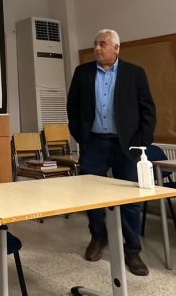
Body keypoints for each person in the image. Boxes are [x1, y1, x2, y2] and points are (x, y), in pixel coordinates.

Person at [67, 29, 156, 276]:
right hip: (93, 144)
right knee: (91, 196)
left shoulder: (134, 73)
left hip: (126, 145)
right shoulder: (83, 72)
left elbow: (148, 109)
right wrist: (80, 135)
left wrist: (141, 141)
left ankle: (133, 250)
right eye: (95, 44)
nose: (97, 48)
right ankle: (98, 237)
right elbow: (72, 106)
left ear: (116, 48)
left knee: (129, 199)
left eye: (103, 44)